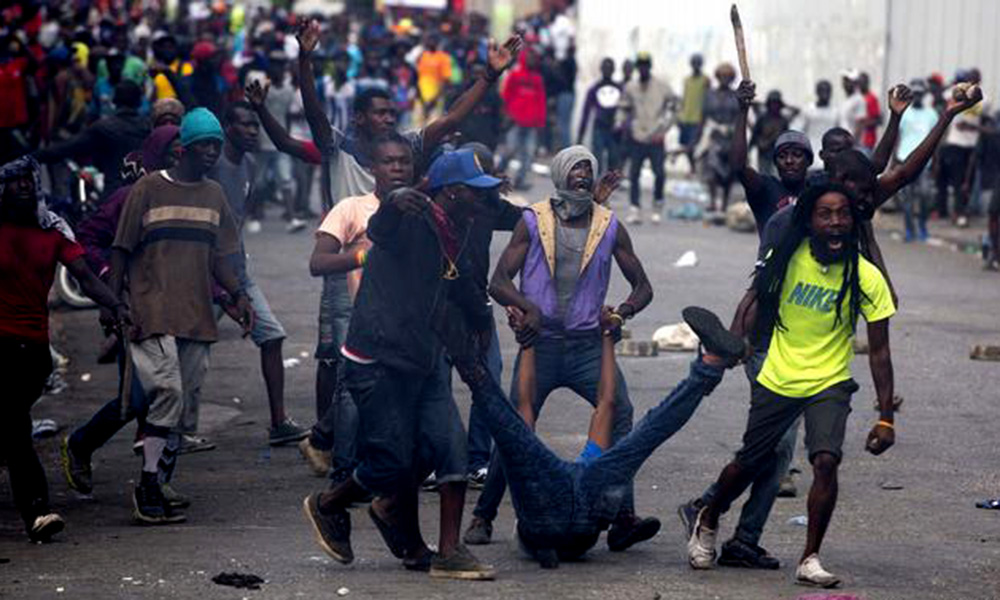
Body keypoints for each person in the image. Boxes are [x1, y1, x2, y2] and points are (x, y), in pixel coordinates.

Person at [290, 22, 521, 480]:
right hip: (357, 268)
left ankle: (426, 465)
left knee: (407, 376)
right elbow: (313, 115)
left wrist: (489, 76)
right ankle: (340, 460)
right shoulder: (341, 154)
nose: (387, 119)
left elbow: (452, 119)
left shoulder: (414, 160)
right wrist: (305, 60)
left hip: (406, 281)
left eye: (391, 112)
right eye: (378, 113)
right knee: (347, 367)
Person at [686, 182, 898, 588]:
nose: (835, 222)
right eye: (825, 214)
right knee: (751, 461)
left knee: (826, 461)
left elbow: (880, 352)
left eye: (843, 215)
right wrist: (734, 344)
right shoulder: (785, 259)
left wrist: (886, 418)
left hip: (830, 380)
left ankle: (809, 557)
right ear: (810, 221)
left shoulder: (866, 277)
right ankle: (709, 515)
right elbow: (752, 302)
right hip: (779, 375)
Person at [302, 148, 500, 580]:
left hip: (424, 356)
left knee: (450, 446)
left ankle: (449, 551)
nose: (481, 202)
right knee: (390, 462)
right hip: (378, 358)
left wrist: (481, 324)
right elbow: (382, 228)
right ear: (450, 192)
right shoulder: (410, 217)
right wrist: (392, 203)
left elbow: (463, 285)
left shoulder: (458, 229)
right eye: (475, 193)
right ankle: (329, 505)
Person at [464, 145, 659, 554]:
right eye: (575, 170)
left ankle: (622, 517)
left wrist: (621, 313)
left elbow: (643, 287)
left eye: (588, 169)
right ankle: (483, 515)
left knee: (620, 413)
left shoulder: (608, 225)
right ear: (559, 176)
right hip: (542, 344)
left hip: (588, 346)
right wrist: (527, 308)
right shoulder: (534, 221)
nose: (583, 176)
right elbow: (498, 281)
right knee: (516, 428)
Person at [456, 306, 746, 569]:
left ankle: (468, 364)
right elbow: (607, 403)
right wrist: (606, 337)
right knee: (649, 431)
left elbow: (525, 408)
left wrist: (526, 343)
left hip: (546, 523)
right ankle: (710, 364)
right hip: (584, 507)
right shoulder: (588, 467)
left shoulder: (543, 484)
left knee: (511, 431)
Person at [110, 108, 251, 524]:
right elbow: (121, 248)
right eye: (205, 145)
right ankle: (148, 483)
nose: (211, 152)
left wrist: (238, 296)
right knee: (167, 392)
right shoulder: (148, 190)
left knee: (183, 404)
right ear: (183, 148)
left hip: (195, 313)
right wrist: (115, 303)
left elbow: (221, 257)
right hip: (150, 307)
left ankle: (160, 480)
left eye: (216, 146)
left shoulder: (214, 196)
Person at [0, 156, 128, 542]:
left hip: (33, 350)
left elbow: (85, 276)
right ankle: (38, 512)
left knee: (11, 426)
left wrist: (116, 306)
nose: (23, 186)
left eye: (28, 180)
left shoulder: (52, 228)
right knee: (14, 428)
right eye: (14, 181)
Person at [61, 126, 183, 498]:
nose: (179, 158)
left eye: (184, 151)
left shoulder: (190, 195)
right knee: (138, 398)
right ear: (156, 155)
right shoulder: (130, 197)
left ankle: (158, 483)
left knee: (168, 398)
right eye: (172, 152)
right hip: (134, 309)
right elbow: (87, 239)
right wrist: (110, 288)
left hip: (175, 309)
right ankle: (82, 444)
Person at [210, 100, 309, 445]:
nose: (253, 131)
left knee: (272, 336)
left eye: (255, 125)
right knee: (183, 352)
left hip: (237, 273)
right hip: (203, 275)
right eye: (245, 125)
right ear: (227, 128)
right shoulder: (214, 166)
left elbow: (237, 220)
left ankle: (279, 422)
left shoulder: (249, 165)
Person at [35, 80, 151, 199]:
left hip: (114, 197)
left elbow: (67, 148)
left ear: (114, 101)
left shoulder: (104, 127)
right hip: (145, 196)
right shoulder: (150, 127)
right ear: (139, 102)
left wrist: (33, 157)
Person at [731, 81, 812, 234]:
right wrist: (743, 110)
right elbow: (738, 166)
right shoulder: (766, 189)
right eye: (783, 156)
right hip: (764, 154)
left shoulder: (818, 190)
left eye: (797, 155)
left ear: (809, 161)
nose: (789, 161)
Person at [619, 52, 675, 225]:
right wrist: (622, 123)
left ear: (650, 66)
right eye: (640, 65)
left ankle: (657, 205)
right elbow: (623, 108)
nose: (642, 68)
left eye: (645, 65)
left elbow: (674, 107)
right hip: (637, 137)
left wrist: (664, 128)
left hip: (656, 137)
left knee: (659, 173)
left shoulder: (662, 87)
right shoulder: (631, 87)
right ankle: (635, 208)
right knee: (634, 174)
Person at [894, 79, 939, 242]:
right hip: (904, 160)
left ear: (924, 95)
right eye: (915, 94)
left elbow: (935, 140)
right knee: (907, 198)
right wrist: (894, 161)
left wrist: (935, 161)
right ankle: (909, 230)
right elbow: (896, 137)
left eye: (921, 94)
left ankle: (922, 224)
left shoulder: (931, 114)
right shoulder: (904, 112)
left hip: (924, 163)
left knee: (926, 195)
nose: (918, 97)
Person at [935, 75, 982, 227]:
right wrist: (959, 90)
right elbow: (944, 95)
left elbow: (987, 122)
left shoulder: (984, 98)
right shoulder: (956, 91)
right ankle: (958, 213)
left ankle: (962, 211)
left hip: (972, 145)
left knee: (968, 181)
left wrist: (972, 127)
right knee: (957, 181)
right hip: (955, 144)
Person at [499, 49, 546, 190]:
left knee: (528, 154)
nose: (532, 61)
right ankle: (497, 175)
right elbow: (506, 95)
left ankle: (520, 180)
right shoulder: (515, 75)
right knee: (510, 150)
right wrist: (506, 114)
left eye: (534, 58)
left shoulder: (537, 79)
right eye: (530, 58)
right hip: (515, 121)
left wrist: (540, 121)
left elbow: (541, 100)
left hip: (530, 124)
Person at [700, 63, 741, 212]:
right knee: (711, 169)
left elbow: (740, 116)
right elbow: (703, 117)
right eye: (722, 76)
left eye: (728, 77)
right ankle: (712, 201)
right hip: (714, 136)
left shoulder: (736, 95)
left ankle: (724, 202)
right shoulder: (709, 94)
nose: (725, 79)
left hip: (730, 137)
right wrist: (698, 138)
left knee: (729, 172)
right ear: (718, 77)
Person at [577, 57, 622, 173]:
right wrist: (580, 134)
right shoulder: (594, 89)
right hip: (599, 128)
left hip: (614, 130)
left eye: (609, 68)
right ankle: (597, 185)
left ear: (613, 70)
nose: (607, 70)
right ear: (601, 69)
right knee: (597, 160)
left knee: (614, 160)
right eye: (605, 68)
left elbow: (625, 110)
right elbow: (586, 112)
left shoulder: (619, 89)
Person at [676, 53, 710, 173]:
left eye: (698, 63)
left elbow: (707, 99)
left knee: (693, 145)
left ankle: (695, 167)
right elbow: (684, 98)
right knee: (685, 145)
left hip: (697, 118)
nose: (696, 65)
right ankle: (693, 167)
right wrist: (679, 116)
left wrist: (704, 118)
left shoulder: (705, 80)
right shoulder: (686, 80)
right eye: (694, 63)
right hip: (685, 117)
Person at [750, 90, 797, 177]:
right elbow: (755, 134)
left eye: (776, 103)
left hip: (778, 152)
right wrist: (752, 147)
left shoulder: (783, 120)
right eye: (772, 103)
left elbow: (796, 111)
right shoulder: (762, 118)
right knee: (764, 176)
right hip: (764, 152)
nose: (774, 106)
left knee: (777, 176)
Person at [795, 80, 838, 164]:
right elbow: (796, 129)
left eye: (827, 91)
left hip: (830, 156)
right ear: (817, 92)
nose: (825, 94)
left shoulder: (836, 112)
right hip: (811, 154)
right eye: (822, 91)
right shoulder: (808, 110)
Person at [838, 69, 866, 143]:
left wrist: (853, 142)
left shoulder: (859, 99)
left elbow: (860, 123)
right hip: (842, 141)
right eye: (845, 80)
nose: (845, 83)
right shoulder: (845, 100)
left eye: (848, 81)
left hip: (851, 143)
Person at [857, 72, 882, 151]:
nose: (861, 84)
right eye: (859, 82)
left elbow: (879, 120)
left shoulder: (872, 98)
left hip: (867, 142)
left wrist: (863, 123)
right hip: (855, 141)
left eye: (863, 82)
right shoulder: (854, 99)